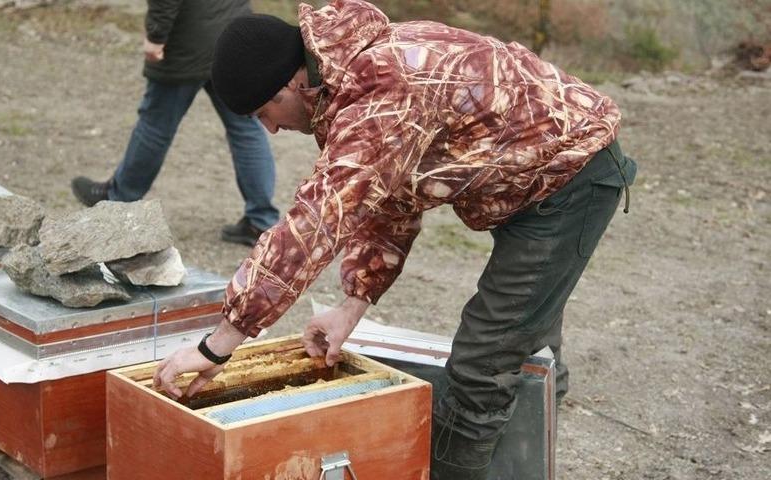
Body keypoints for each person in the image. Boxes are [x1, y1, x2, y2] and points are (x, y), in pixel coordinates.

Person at [152, 1, 637, 478]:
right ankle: (531, 435)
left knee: (480, 364)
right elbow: (390, 198)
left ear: (292, 83)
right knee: (523, 327)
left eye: (265, 111)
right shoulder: (349, 75)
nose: (272, 128)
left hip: (570, 178)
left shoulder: (381, 88)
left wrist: (219, 344)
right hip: (524, 177)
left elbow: (315, 222)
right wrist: (352, 304)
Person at [70, 0, 279, 246]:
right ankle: (261, 220)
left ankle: (118, 200)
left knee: (155, 124)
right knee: (246, 126)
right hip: (234, 29)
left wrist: (157, 34)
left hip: (187, 39)